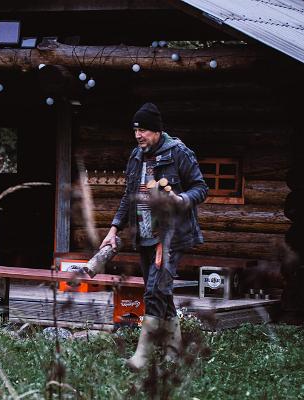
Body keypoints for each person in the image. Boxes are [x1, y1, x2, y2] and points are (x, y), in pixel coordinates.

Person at [100, 102, 208, 370]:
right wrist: (114, 228)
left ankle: (143, 355)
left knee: (155, 291)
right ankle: (173, 354)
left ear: (158, 131)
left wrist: (180, 199)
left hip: (171, 237)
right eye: (136, 130)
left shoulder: (179, 152)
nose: (139, 135)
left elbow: (200, 188)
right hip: (144, 235)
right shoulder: (136, 155)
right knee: (162, 293)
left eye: (144, 130)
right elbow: (128, 196)